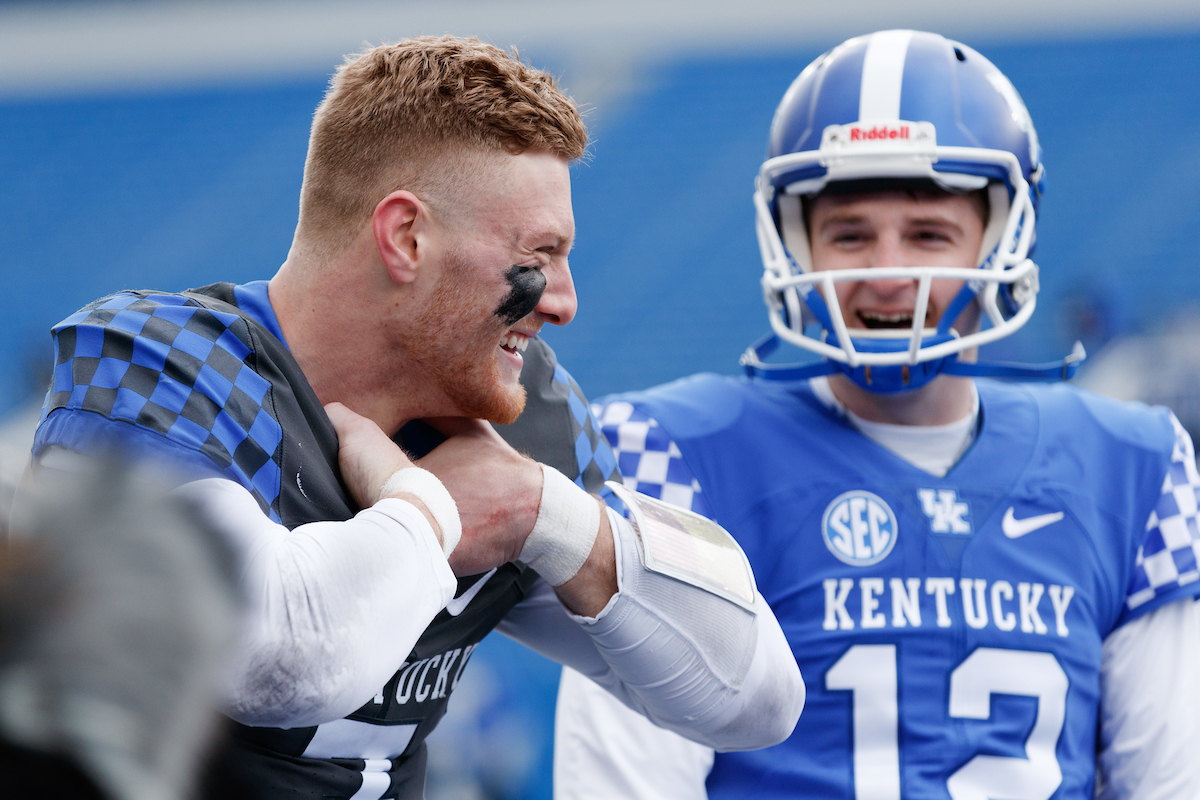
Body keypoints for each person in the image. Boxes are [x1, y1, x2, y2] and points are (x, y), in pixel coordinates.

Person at [30, 36, 804, 800]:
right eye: (538, 255)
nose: (564, 302)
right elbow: (283, 660)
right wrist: (426, 511)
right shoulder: (155, 368)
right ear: (406, 238)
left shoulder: (513, 421)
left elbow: (756, 697)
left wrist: (549, 515)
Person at [554, 29, 1200, 800]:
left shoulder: (1134, 466)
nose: (888, 272)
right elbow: (624, 785)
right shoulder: (674, 452)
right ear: (798, 244)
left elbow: (1169, 779)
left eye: (929, 234)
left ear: (1000, 239)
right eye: (851, 235)